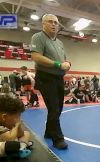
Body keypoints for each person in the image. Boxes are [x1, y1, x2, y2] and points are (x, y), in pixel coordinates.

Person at [30, 14, 71, 149]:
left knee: (58, 108)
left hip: (58, 78)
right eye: (50, 22)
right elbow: (36, 56)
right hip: (46, 78)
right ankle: (58, 139)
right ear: (43, 24)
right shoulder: (38, 37)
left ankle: (49, 131)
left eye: (56, 23)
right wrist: (59, 65)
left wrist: (67, 64)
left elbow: (64, 60)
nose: (54, 24)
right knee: (53, 108)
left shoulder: (59, 43)